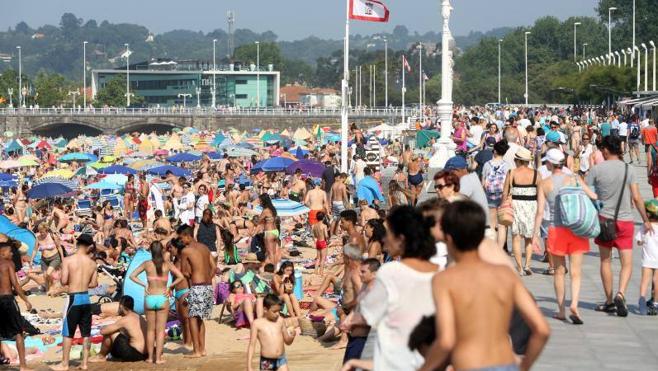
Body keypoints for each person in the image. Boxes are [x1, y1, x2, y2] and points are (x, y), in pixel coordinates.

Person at [420, 200, 550, 371]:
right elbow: (542, 329)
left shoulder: (445, 279)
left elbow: (446, 340)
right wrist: (524, 366)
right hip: (506, 363)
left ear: (449, 238)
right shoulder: (505, 274)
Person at [350, 206, 438, 370]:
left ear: (401, 239)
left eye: (388, 233)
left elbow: (367, 316)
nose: (383, 239)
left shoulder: (391, 272)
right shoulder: (439, 273)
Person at [587, 135, 653, 317]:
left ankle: (609, 301)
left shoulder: (596, 170)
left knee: (605, 261)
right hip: (625, 221)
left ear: (606, 150)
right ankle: (621, 293)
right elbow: (637, 197)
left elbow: (588, 194)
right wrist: (646, 219)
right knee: (627, 263)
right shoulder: (628, 169)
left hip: (604, 221)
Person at [533, 149, 597, 324]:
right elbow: (593, 195)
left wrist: (534, 236)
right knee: (576, 273)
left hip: (556, 230)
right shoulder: (575, 178)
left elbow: (540, 212)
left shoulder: (544, 183)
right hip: (576, 228)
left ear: (550, 164)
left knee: (559, 272)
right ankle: (574, 304)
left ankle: (561, 310)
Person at [129, 241, 184, 364]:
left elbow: (132, 276)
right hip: (162, 298)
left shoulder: (147, 264)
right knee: (160, 330)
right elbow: (181, 276)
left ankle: (149, 358)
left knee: (150, 330)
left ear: (151, 251)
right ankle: (158, 358)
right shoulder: (167, 264)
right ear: (162, 250)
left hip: (150, 297)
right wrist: (170, 287)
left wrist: (144, 285)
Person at [53, 234, 98, 371]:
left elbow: (64, 281)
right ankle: (84, 363)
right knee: (86, 333)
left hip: (73, 298)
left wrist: (73, 281)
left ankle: (65, 364)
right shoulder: (92, 263)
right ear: (89, 246)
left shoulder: (67, 260)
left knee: (68, 332)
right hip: (86, 298)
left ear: (77, 244)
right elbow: (94, 283)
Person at [177, 225, 216, 358]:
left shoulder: (186, 251)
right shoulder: (204, 247)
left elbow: (184, 272)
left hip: (197, 286)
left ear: (187, 235)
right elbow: (214, 267)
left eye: (181, 238)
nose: (180, 241)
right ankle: (202, 349)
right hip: (207, 286)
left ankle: (196, 350)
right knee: (200, 319)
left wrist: (193, 275)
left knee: (192, 318)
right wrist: (208, 278)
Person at [503, 148, 540, 275]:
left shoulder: (511, 172)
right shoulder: (536, 174)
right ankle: (527, 265)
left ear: (517, 160)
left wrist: (503, 205)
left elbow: (505, 192)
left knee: (516, 237)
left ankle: (519, 268)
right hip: (532, 206)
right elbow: (540, 194)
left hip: (516, 206)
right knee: (529, 238)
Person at [0, 241, 32, 371]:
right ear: (2, 253)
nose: (12, 254)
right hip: (8, 300)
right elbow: (16, 285)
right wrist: (26, 300)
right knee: (19, 332)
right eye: (10, 252)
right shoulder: (8, 264)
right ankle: (23, 366)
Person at [89, 296, 147, 363]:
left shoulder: (125, 319)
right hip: (145, 354)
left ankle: (101, 356)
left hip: (134, 355)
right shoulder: (139, 317)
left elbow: (103, 332)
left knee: (111, 332)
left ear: (121, 306)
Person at [246, 294, 296, 371]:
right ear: (265, 309)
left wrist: (292, 336)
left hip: (281, 360)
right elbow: (252, 345)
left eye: (279, 311)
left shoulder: (280, 321)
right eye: (274, 311)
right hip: (267, 361)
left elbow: (287, 341)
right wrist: (249, 366)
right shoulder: (257, 324)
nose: (277, 314)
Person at [482, 140, 511, 251]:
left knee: (492, 224)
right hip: (502, 196)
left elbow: (483, 183)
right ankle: (500, 250)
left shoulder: (487, 164)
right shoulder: (507, 166)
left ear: (494, 150)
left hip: (490, 196)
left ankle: (492, 248)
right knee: (502, 225)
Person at [636, 199, 658, 315]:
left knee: (645, 280)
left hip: (647, 259)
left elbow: (639, 242)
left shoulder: (645, 227)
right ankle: (655, 303)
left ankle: (642, 298)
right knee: (656, 280)